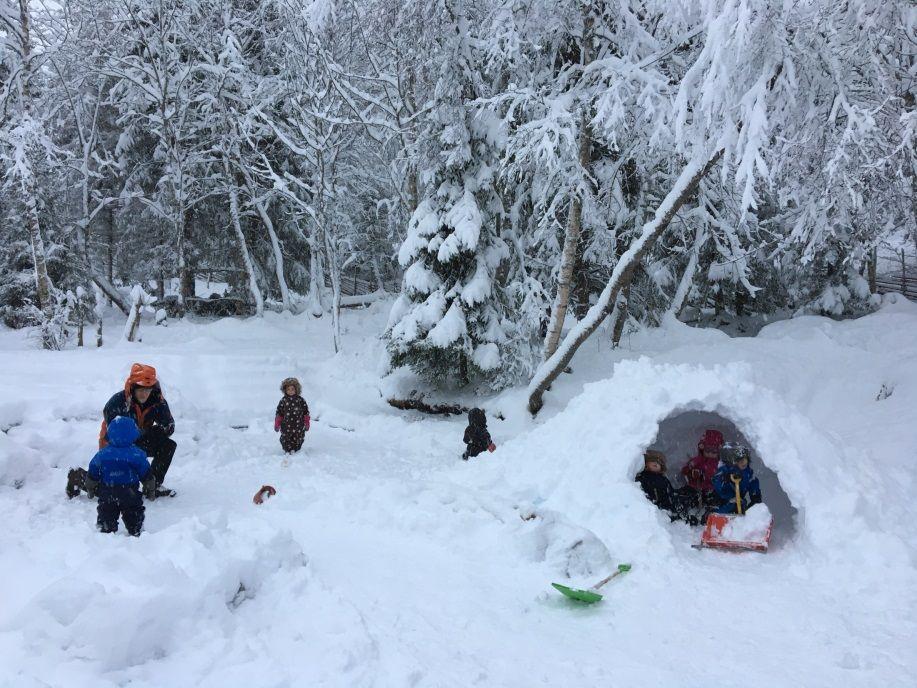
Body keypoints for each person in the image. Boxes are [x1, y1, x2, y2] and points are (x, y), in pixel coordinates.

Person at [100, 363, 176, 498]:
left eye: (148, 389)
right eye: (140, 389)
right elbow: (111, 434)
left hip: (139, 441)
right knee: (109, 489)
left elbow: (169, 426)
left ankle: (153, 485)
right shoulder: (117, 402)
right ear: (133, 387)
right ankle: (78, 477)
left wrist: (154, 431)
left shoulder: (157, 401)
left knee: (168, 445)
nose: (144, 393)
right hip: (115, 445)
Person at [86, 416, 155, 536]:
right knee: (133, 511)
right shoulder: (136, 454)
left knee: (106, 512)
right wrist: (150, 489)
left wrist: (90, 487)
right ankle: (136, 529)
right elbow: (146, 473)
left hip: (108, 491)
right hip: (129, 492)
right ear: (133, 434)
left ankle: (106, 530)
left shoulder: (103, 454)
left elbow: (93, 470)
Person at [680, 429, 724, 511]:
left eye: (714, 451)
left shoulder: (720, 464)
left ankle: (711, 512)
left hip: (712, 489)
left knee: (716, 499)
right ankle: (684, 510)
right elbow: (685, 471)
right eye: (707, 450)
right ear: (702, 448)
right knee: (687, 494)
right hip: (696, 487)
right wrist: (692, 472)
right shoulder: (697, 460)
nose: (710, 453)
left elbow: (723, 475)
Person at [712, 443, 762, 514]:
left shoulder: (748, 473)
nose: (742, 463)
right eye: (739, 461)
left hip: (739, 501)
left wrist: (755, 497)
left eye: (744, 460)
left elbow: (753, 483)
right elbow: (717, 482)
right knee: (729, 507)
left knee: (741, 505)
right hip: (723, 501)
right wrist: (724, 479)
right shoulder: (726, 470)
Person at [275, 377, 310, 453]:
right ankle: (287, 449)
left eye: (292, 389)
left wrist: (306, 422)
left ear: (296, 389)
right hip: (286, 425)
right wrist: (277, 423)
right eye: (288, 389)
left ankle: (296, 449)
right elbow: (279, 412)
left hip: (299, 425)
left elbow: (305, 412)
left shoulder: (300, 400)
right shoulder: (283, 401)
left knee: (298, 438)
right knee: (285, 438)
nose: (290, 391)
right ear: (285, 390)